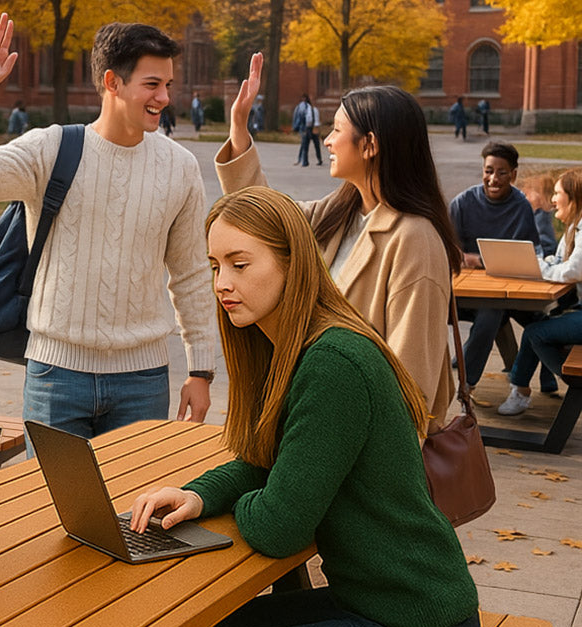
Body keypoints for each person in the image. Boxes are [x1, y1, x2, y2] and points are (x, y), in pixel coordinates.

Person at [129, 187, 480, 627]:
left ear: (293, 263)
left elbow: (280, 526)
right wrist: (198, 494)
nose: (222, 283)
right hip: (382, 611)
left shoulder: (332, 362)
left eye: (241, 265)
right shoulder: (296, 345)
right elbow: (266, 459)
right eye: (215, 266)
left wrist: (259, 501)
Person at [0, 12, 215, 627]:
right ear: (112, 83)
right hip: (55, 372)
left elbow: (192, 272)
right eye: (152, 84)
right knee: (51, 523)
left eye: (168, 84)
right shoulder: (51, 150)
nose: (165, 96)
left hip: (140, 379)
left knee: (131, 525)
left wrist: (203, 367)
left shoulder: (180, 168)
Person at [220, 55, 461, 433]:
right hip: (317, 418)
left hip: (358, 442)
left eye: (336, 130)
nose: (327, 140)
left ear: (370, 145)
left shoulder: (415, 240)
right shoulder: (340, 210)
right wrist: (239, 128)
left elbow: (412, 384)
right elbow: (265, 222)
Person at [448, 141, 546, 399]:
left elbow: (530, 252)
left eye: (501, 173)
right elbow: (445, 248)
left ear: (513, 174)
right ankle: (461, 381)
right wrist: (463, 258)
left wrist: (486, 262)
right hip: (461, 292)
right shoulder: (462, 203)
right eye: (488, 170)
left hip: (505, 292)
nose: (493, 178)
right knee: (490, 313)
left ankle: (469, 385)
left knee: (503, 314)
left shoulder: (521, 206)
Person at [498, 169, 582, 415]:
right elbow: (559, 263)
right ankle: (521, 390)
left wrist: (538, 268)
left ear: (573, 197)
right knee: (537, 326)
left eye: (558, 194)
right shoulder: (573, 228)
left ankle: (571, 383)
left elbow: (572, 271)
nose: (553, 199)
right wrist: (540, 263)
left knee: (536, 332)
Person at [519, 172, 558, 257]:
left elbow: (549, 246)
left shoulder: (542, 216)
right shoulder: (536, 214)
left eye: (527, 193)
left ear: (541, 196)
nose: (525, 197)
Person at [291, 94, 320, 167]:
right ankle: (303, 161)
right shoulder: (305, 108)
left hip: (310, 128)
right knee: (305, 145)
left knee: (313, 145)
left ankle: (317, 159)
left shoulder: (311, 109)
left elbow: (311, 119)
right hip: (307, 128)